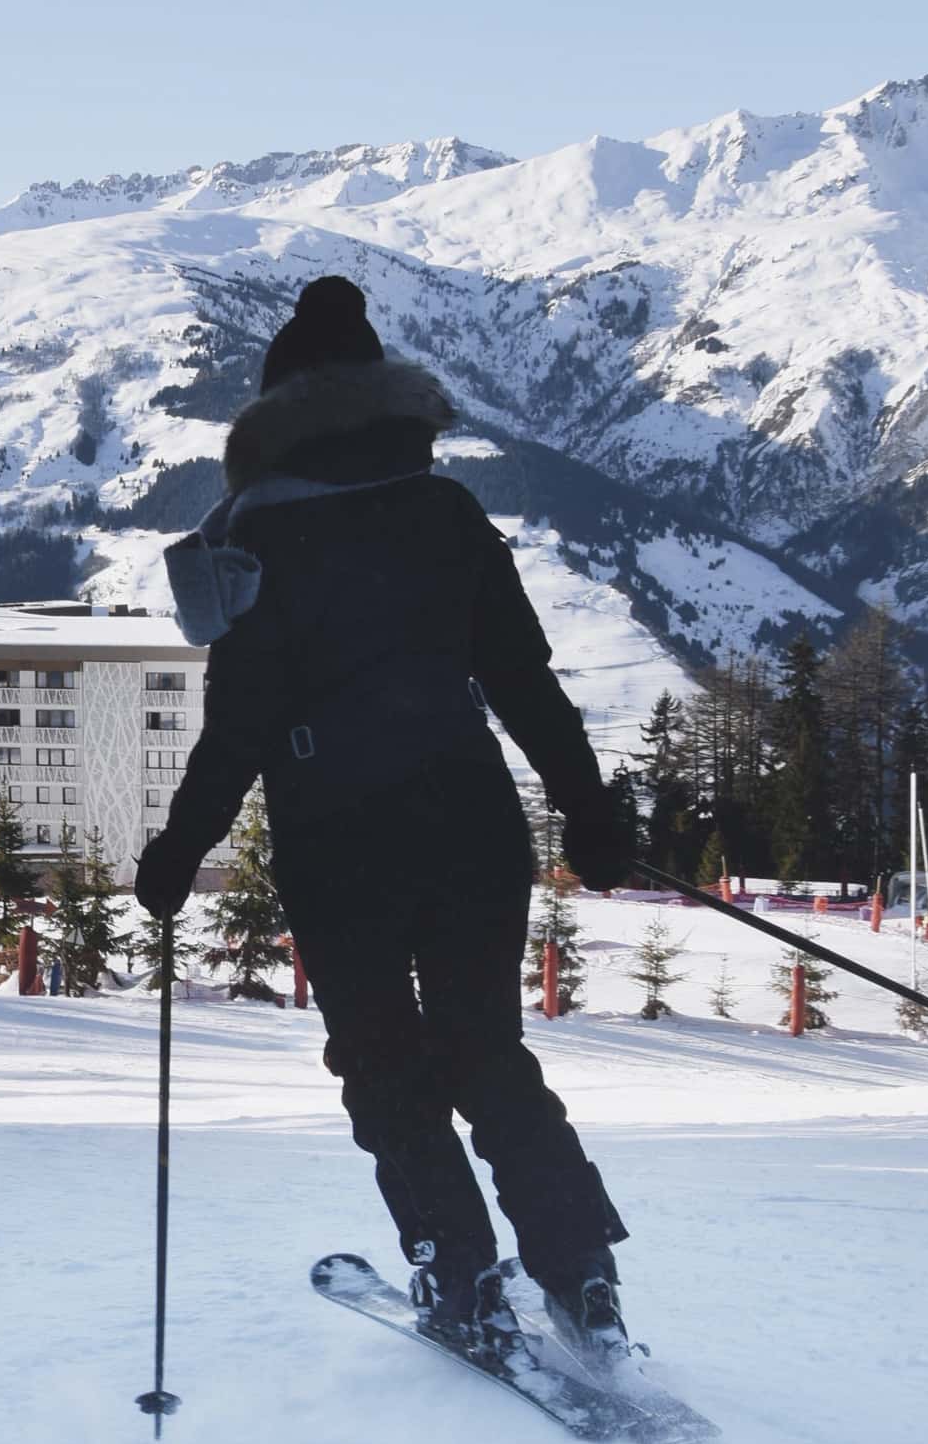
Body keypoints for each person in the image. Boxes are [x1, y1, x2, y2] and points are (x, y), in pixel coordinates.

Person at [133, 275, 639, 1360]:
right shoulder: (446, 512)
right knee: (485, 1053)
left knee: (382, 1063)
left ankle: (457, 1273)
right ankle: (580, 1272)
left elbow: (240, 726)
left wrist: (181, 847)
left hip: (338, 833)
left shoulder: (254, 536)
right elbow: (524, 681)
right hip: (470, 813)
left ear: (273, 418)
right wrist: (589, 812)